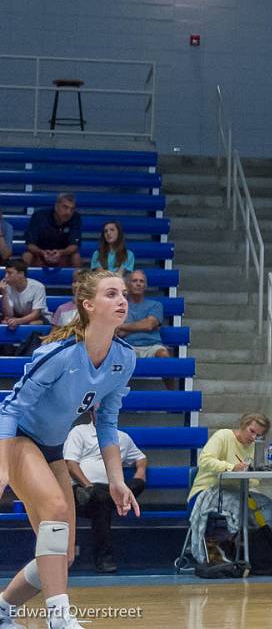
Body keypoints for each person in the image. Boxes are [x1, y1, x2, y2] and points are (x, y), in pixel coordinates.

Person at [0, 269, 137, 629]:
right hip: (17, 439)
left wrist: (117, 480)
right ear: (88, 305)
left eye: (123, 293)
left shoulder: (125, 358)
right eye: (111, 294)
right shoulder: (58, 354)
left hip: (51, 447)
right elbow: (9, 408)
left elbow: (107, 423)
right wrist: (2, 468)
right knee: (57, 508)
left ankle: (2, 607)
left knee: (64, 554)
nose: (121, 299)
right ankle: (58, 618)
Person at [185, 412, 272, 567]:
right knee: (239, 505)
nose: (253, 438)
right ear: (243, 426)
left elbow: (255, 481)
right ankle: (236, 550)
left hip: (237, 491)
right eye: (252, 431)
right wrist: (231, 467)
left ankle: (265, 554)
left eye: (259, 435)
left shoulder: (254, 448)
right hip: (206, 489)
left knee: (265, 505)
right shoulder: (223, 436)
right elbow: (204, 460)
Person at [64, 410, 146, 573]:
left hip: (109, 490)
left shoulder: (121, 437)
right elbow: (70, 464)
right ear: (91, 414)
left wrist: (140, 474)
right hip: (81, 490)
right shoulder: (79, 432)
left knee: (132, 487)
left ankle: (111, 499)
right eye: (99, 411)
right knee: (101, 501)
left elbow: (140, 458)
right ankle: (104, 558)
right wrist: (88, 486)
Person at [114, 270, 167, 359]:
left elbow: (149, 325)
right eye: (134, 281)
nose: (138, 284)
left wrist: (122, 326)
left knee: (163, 355)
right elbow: (119, 333)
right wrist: (142, 324)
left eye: (141, 281)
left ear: (145, 286)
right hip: (129, 346)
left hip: (152, 346)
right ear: (128, 285)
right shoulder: (121, 307)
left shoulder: (156, 305)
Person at [1, 261, 49, 355]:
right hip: (17, 316)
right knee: (5, 324)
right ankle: (8, 355)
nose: (6, 276)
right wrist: (4, 293)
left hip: (40, 317)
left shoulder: (38, 287)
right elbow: (9, 314)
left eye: (10, 273)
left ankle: (23, 355)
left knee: (34, 324)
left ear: (21, 274)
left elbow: (36, 313)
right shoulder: (7, 288)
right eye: (5, 273)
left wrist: (18, 321)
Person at [22, 196, 81, 270]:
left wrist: (61, 253)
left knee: (76, 257)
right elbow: (30, 245)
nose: (68, 212)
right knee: (27, 256)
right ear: (56, 207)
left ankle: (80, 281)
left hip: (62, 255)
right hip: (40, 255)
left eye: (72, 209)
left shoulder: (75, 218)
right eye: (65, 207)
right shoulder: (39, 216)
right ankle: (23, 280)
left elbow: (74, 246)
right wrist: (42, 252)